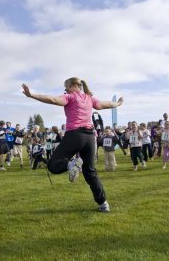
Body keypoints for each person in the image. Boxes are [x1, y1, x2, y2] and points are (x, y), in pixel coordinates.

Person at [22, 77, 123, 212]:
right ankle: (103, 203)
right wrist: (117, 104)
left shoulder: (70, 97)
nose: (65, 89)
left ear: (74, 85)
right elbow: (105, 105)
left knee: (53, 165)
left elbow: (53, 100)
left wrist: (31, 95)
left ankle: (71, 164)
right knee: (90, 172)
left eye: (66, 86)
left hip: (75, 135)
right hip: (89, 138)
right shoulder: (89, 98)